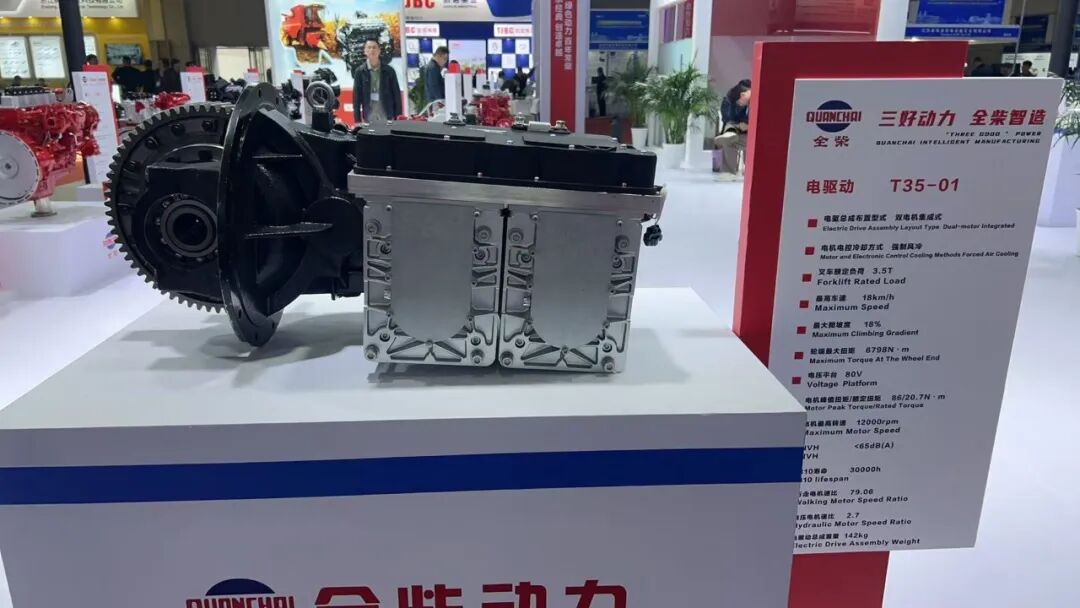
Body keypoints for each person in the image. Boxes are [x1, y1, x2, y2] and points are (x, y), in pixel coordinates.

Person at [353, 39, 401, 123]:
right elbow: (356, 98)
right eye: (369, 47)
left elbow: (396, 94)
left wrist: (399, 117)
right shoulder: (360, 72)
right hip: (369, 115)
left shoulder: (389, 71)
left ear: (379, 50)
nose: (372, 50)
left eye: (374, 47)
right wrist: (357, 121)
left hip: (387, 114)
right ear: (365, 51)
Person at [713, 79, 751, 180]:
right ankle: (728, 173)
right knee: (729, 139)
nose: (739, 104)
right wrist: (740, 124)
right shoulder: (730, 99)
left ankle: (730, 133)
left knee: (732, 134)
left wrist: (748, 125)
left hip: (753, 135)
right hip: (739, 131)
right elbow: (728, 118)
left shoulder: (757, 101)